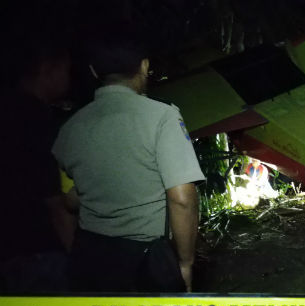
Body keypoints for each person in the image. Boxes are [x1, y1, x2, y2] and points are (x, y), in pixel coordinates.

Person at [52, 24, 205, 292]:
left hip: (90, 260)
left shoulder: (69, 128)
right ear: (144, 66)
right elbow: (181, 198)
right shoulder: (161, 117)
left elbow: (68, 199)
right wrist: (185, 262)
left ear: (93, 71)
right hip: (145, 262)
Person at [0, 31, 75, 292]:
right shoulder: (36, 119)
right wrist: (75, 256)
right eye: (65, 69)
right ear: (47, 69)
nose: (68, 77)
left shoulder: (8, 109)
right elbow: (53, 199)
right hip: (39, 251)